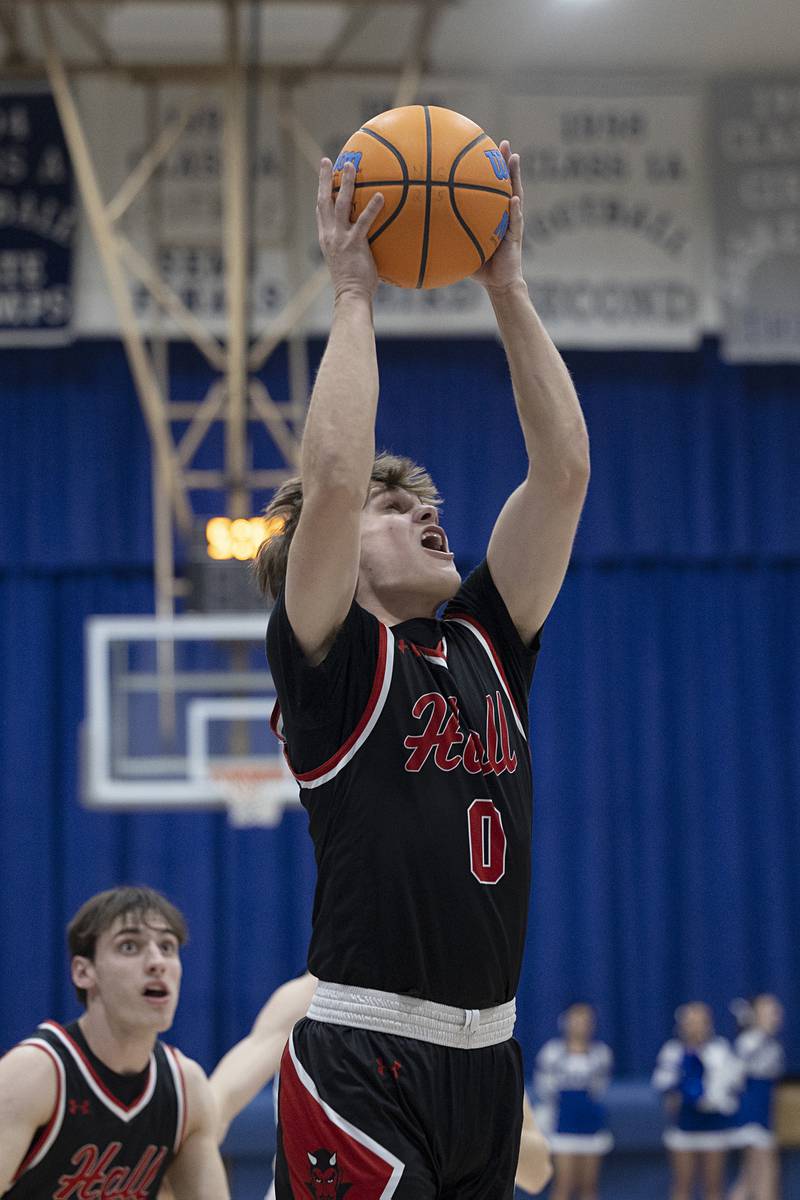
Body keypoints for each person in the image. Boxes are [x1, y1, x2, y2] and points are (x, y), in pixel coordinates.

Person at [254, 139, 589, 1199]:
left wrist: (507, 285)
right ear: (339, 548)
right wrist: (352, 292)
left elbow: (564, 469)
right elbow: (337, 474)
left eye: (426, 501)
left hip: (490, 1056)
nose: (426, 511)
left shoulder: (488, 640)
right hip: (364, 1052)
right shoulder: (334, 662)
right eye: (397, 510)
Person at [207, 972, 551, 1197]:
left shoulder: (467, 1024)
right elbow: (215, 1109)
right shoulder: (314, 996)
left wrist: (448, 1115)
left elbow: (538, 1171)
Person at [0, 885, 229, 1200]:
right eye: (130, 947)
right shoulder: (35, 1073)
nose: (156, 962)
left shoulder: (186, 1087)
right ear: (84, 972)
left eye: (167, 946)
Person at [653, 1001, 743, 1200]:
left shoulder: (720, 1049)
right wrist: (674, 1092)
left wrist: (716, 1097)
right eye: (690, 1022)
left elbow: (734, 1081)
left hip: (713, 1125)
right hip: (685, 1125)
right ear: (682, 1025)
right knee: (682, 1184)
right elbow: (662, 1081)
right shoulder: (673, 1050)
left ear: (708, 1024)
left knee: (713, 1185)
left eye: (699, 1022)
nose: (695, 1027)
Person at [533, 1003, 613, 1200]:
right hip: (562, 1124)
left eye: (585, 1021)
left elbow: (600, 1088)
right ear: (565, 1023)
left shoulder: (601, 1053)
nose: (580, 1026)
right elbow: (543, 1087)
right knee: (563, 1185)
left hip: (589, 1125)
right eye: (575, 1021)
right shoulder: (552, 1052)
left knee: (589, 1186)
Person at [728, 994, 785, 1200]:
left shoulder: (768, 1043)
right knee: (760, 1174)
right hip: (751, 1115)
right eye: (770, 1011)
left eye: (777, 1010)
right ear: (755, 1015)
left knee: (752, 1177)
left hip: (762, 1114)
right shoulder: (750, 1042)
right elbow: (734, 1079)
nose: (776, 1015)